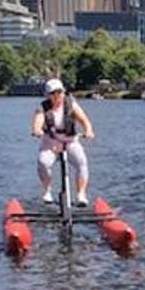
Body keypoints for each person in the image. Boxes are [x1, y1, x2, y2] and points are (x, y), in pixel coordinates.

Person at [30, 78, 96, 206]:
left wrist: (88, 131)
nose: (57, 96)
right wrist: (37, 130)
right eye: (53, 93)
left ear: (63, 92)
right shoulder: (42, 107)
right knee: (43, 163)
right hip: (51, 142)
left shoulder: (71, 105)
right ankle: (47, 191)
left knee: (81, 162)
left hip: (70, 142)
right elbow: (37, 122)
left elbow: (84, 121)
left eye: (59, 92)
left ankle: (81, 195)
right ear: (47, 95)